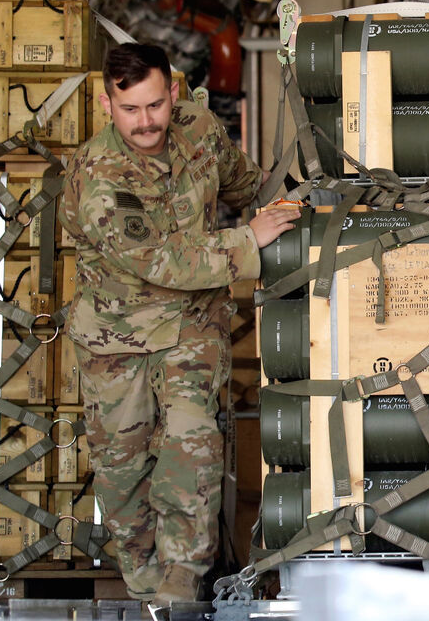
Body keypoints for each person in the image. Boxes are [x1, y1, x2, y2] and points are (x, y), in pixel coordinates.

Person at [60, 44, 302, 604]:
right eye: (129, 110)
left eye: (153, 105)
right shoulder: (99, 177)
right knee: (123, 477)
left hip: (192, 330)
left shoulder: (197, 126)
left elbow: (242, 182)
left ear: (172, 93)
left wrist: (292, 207)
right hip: (116, 340)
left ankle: (181, 588)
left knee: (191, 452)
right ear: (106, 104)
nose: (144, 122)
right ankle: (147, 587)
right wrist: (249, 240)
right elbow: (161, 260)